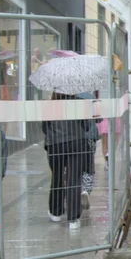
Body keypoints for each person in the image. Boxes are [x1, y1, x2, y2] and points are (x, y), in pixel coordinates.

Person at [42, 94, 92, 230]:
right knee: (74, 179)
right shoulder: (79, 103)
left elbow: (44, 128)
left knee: (57, 177)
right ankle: (73, 219)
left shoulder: (49, 105)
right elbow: (86, 127)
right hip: (77, 143)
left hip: (55, 144)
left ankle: (56, 212)